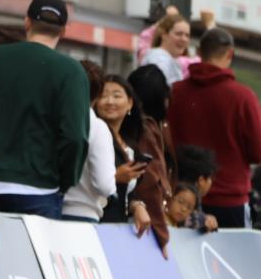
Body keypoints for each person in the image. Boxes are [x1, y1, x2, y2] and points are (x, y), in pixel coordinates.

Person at [0, 0, 89, 219]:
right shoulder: (71, 71)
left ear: (27, 22)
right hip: (40, 190)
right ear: (64, 30)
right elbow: (75, 136)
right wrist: (65, 181)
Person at [168, 28, 261, 228]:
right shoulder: (243, 97)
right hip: (231, 201)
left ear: (199, 52)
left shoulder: (175, 92)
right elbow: (258, 154)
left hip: (181, 199)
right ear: (230, 53)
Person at [95, 75, 173, 255]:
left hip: (119, 228)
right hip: (97, 224)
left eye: (116, 95)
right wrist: (116, 177)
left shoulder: (131, 143)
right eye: (104, 95)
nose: (109, 101)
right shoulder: (95, 134)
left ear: (130, 103)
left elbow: (133, 189)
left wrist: (136, 204)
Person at [62, 61, 117, 223]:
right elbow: (104, 184)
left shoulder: (54, 116)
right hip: (83, 213)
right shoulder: (98, 127)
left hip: (50, 206)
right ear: (99, 95)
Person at [176, 144, 219, 232]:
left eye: (189, 207)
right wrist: (204, 220)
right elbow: (184, 218)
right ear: (201, 180)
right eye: (210, 178)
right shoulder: (187, 194)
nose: (184, 208)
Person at [142, 14, 190, 87]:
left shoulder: (168, 59)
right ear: (164, 35)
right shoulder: (159, 59)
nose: (184, 39)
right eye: (179, 34)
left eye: (187, 35)